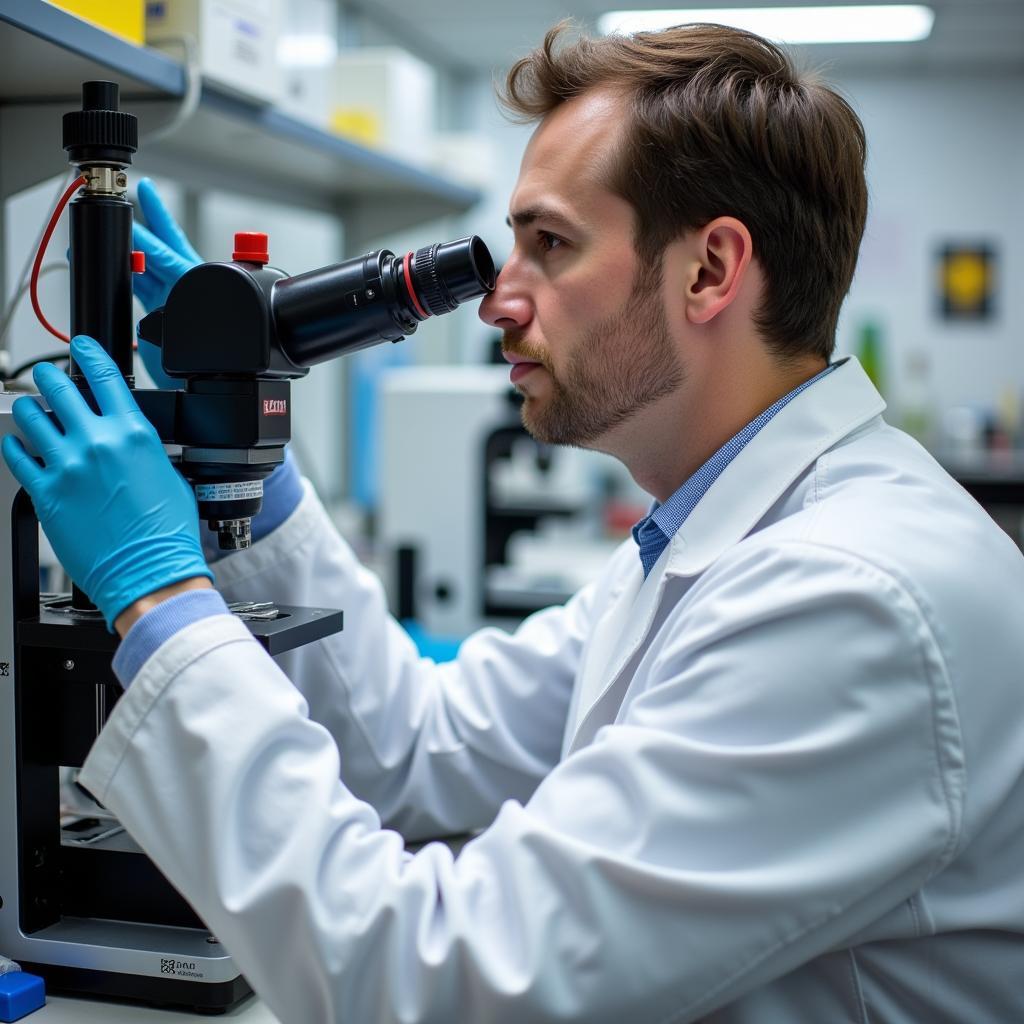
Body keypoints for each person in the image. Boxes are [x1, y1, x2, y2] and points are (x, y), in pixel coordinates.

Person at [5, 21, 1024, 1024]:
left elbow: (437, 979)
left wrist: (157, 592)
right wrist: (252, 478)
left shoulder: (850, 598)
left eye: (549, 244)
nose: (498, 300)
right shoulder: (714, 537)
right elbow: (419, 749)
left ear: (709, 271)